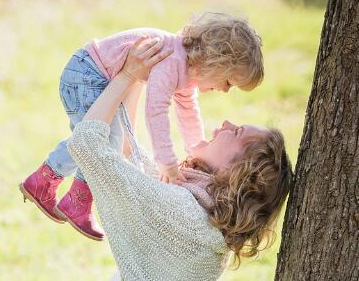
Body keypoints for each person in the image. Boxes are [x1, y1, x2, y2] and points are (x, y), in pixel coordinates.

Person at [20, 12, 264, 241]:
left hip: (93, 75)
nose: (224, 90)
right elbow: (155, 110)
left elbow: (188, 112)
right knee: (100, 139)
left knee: (100, 138)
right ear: (216, 62)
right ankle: (72, 198)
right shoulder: (173, 60)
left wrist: (196, 149)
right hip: (87, 75)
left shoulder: (186, 70)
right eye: (228, 82)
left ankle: (50, 185)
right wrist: (167, 163)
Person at [65, 36, 292, 280]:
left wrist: (127, 76)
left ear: (236, 170)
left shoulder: (185, 216)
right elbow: (128, 152)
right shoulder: (203, 210)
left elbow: (86, 144)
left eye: (236, 132)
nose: (226, 123)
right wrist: (146, 77)